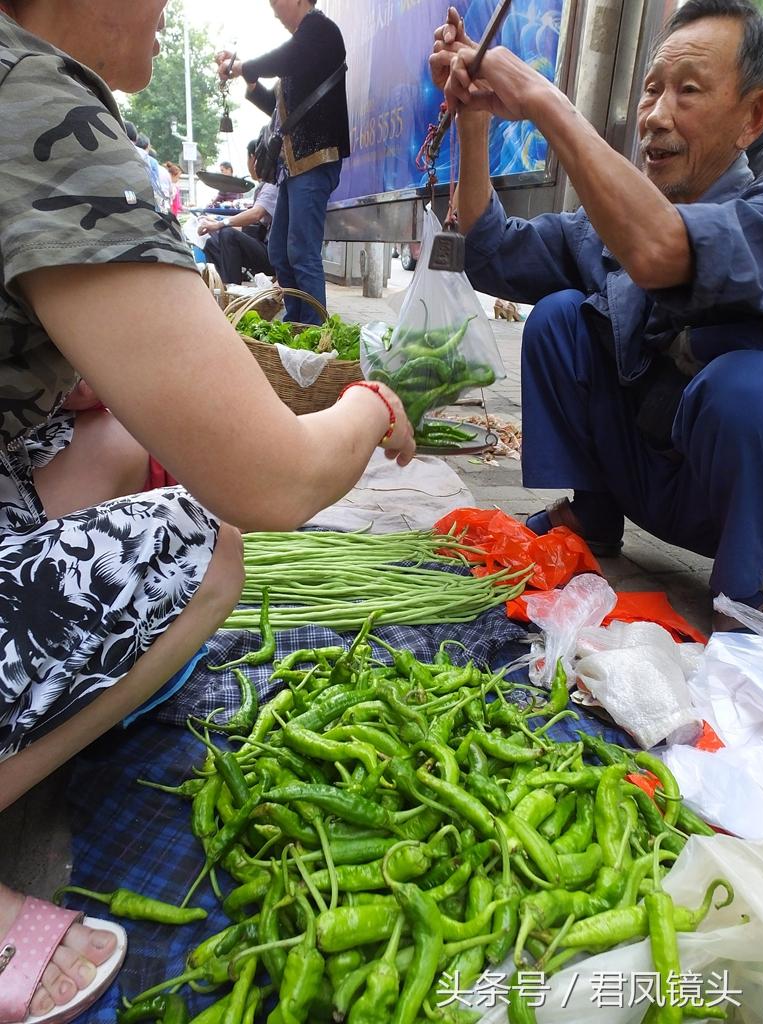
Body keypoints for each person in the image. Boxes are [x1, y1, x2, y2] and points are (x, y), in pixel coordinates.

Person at [0, 2, 414, 1020]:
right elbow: (270, 482)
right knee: (205, 542)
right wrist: (367, 408)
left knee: (115, 442)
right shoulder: (31, 97)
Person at [430, 0, 763, 631]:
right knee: (559, 318)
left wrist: (540, 99)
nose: (656, 117)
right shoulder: (610, 229)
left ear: (753, 116)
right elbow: (494, 252)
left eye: (687, 92)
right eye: (650, 91)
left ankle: (744, 604)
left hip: (738, 508)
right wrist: (473, 122)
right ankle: (594, 516)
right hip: (650, 480)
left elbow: (663, 249)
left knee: (746, 390)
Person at [215, 0, 350, 326]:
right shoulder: (304, 49)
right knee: (280, 251)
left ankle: (314, 332)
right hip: (293, 168)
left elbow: (281, 58)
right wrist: (248, 80)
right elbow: (278, 113)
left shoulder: (320, 30)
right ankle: (296, 324)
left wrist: (242, 67)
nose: (273, 6)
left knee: (302, 251)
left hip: (314, 161)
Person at [198, 140, 277, 283]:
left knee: (228, 234)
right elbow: (252, 228)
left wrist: (221, 224)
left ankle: (233, 290)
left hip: (273, 254)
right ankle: (222, 288)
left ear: (253, 158)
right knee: (211, 243)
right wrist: (216, 223)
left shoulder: (272, 185)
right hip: (261, 244)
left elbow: (256, 214)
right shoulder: (263, 186)